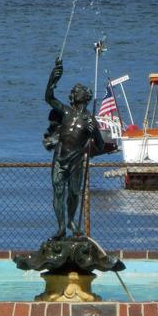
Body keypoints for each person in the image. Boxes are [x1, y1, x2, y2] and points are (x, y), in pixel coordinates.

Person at [44, 58, 105, 239]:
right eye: (74, 91)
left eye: (77, 91)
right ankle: (61, 227)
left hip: (77, 161)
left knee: (74, 193)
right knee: (58, 192)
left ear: (85, 96)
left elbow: (100, 146)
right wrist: (53, 78)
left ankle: (71, 220)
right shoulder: (66, 112)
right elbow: (49, 97)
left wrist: (94, 135)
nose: (74, 92)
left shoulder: (90, 121)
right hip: (60, 158)